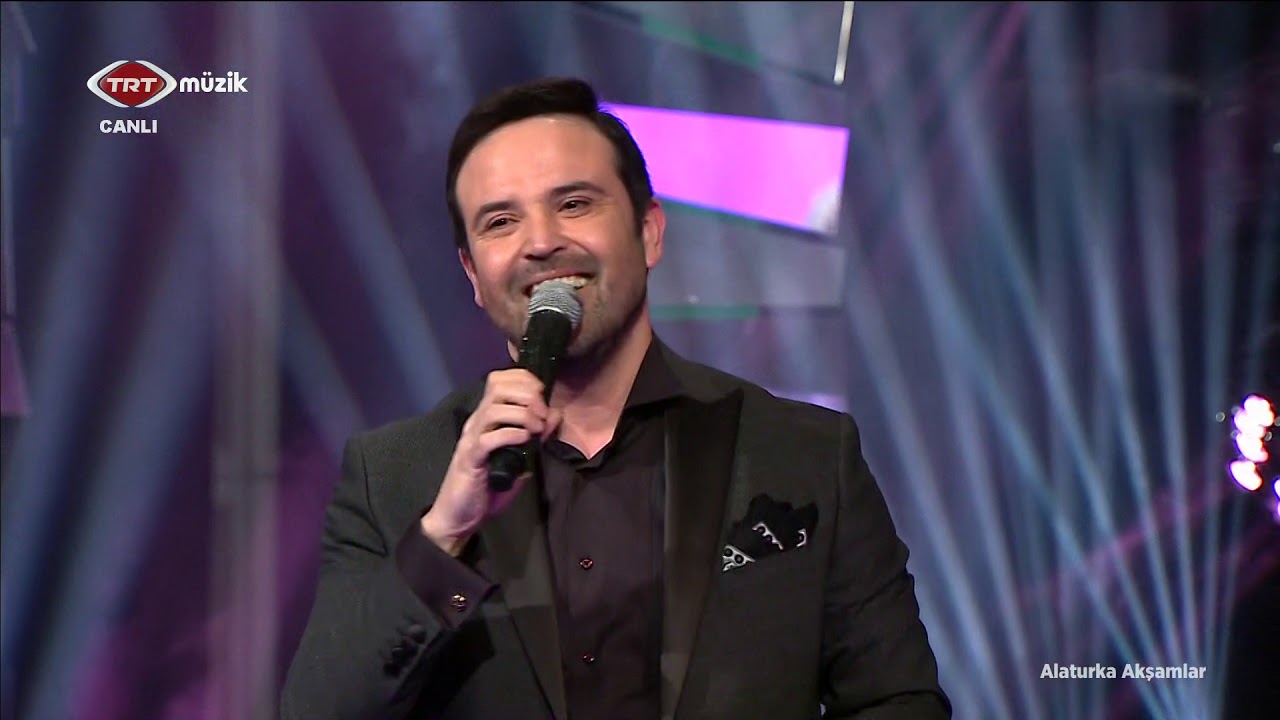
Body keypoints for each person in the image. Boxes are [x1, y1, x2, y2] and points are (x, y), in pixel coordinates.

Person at [280, 76, 951, 720]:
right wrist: (444, 535)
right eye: (501, 221)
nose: (541, 242)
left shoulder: (803, 454)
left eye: (574, 204)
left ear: (649, 231)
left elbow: (899, 701)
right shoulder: (391, 477)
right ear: (473, 274)